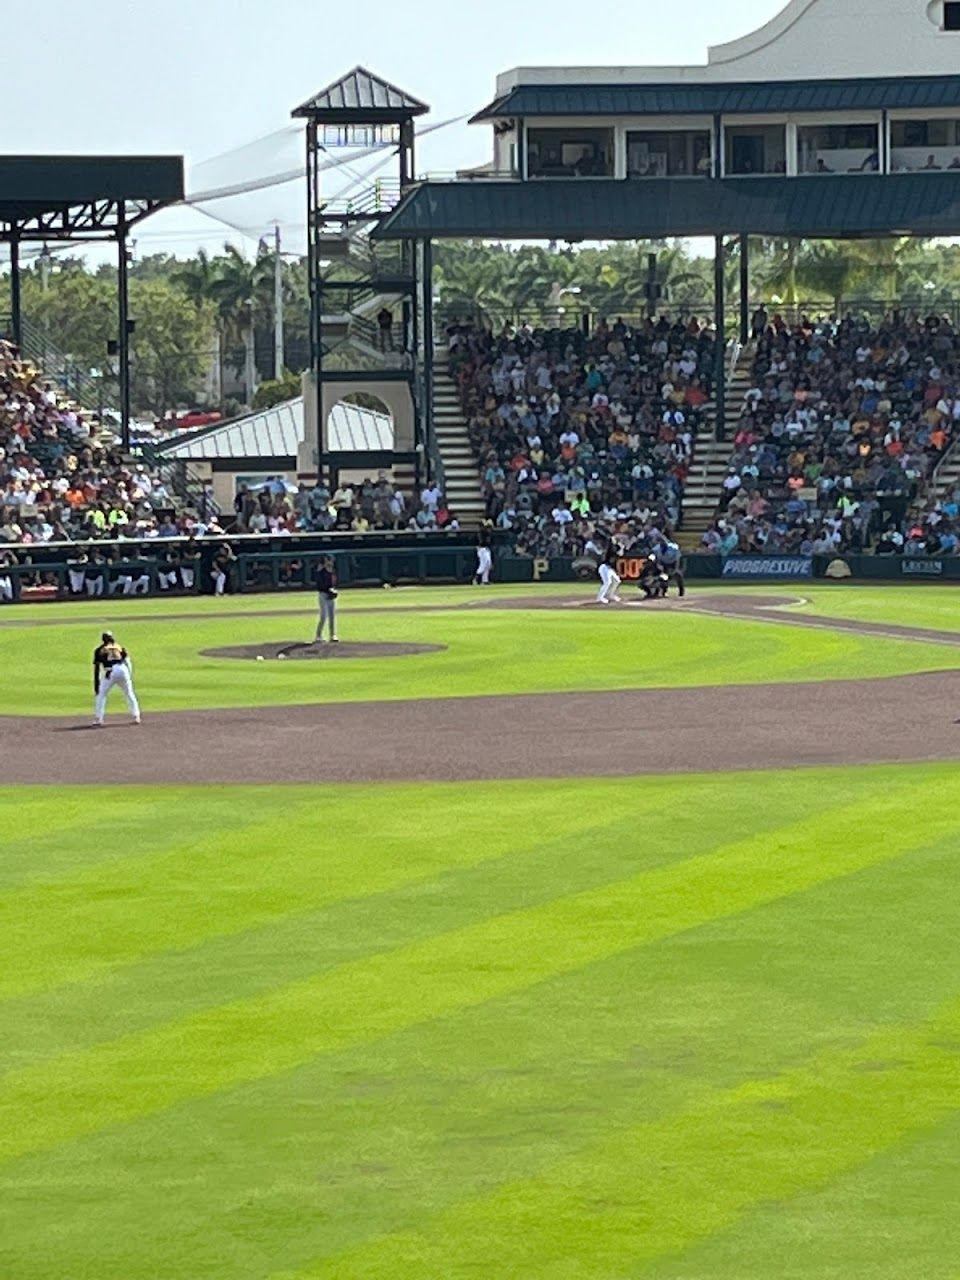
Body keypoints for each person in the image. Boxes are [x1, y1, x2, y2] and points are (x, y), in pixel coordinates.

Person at [92, 630, 141, 726]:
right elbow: (128, 662)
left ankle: (98, 718)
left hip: (110, 671)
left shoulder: (99, 650)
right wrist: (128, 675)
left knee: (101, 695)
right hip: (123, 669)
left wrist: (96, 683)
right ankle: (136, 716)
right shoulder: (119, 647)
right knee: (129, 693)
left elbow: (97, 668)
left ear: (103, 639)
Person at [314, 555, 339, 643]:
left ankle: (333, 635)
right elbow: (320, 584)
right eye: (328, 561)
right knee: (323, 616)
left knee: (332, 616)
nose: (330, 563)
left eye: (331, 561)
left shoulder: (333, 571)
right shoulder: (321, 571)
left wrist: (333, 590)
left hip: (330, 595)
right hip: (323, 595)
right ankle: (318, 636)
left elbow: (334, 583)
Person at [596, 539, 623, 605]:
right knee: (607, 583)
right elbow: (612, 548)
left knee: (617, 581)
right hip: (604, 568)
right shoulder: (611, 550)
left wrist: (621, 547)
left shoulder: (616, 551)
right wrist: (614, 541)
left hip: (609, 569)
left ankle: (611, 595)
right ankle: (600, 597)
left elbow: (620, 553)